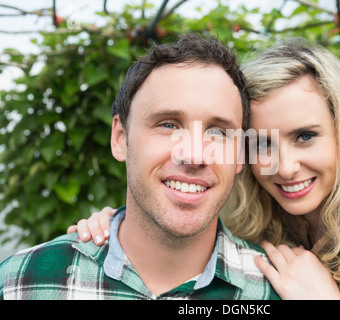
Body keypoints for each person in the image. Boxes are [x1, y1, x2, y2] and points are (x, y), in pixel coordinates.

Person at [71, 39, 340, 300]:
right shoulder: (245, 234)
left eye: (304, 136)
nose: (283, 167)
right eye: (263, 143)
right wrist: (118, 227)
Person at [0, 34, 281, 300]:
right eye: (168, 124)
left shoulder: (281, 291)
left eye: (218, 132)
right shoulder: (21, 282)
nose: (194, 156)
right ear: (120, 138)